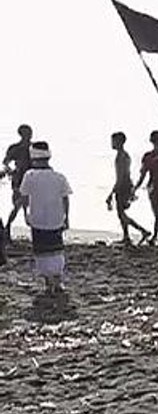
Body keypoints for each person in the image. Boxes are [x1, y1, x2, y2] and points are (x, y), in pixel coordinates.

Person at [18, 141, 70, 293]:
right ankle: (58, 280)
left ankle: (49, 282)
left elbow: (24, 197)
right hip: (56, 218)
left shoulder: (30, 176)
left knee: (42, 251)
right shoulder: (59, 177)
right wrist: (67, 217)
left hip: (38, 219)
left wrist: (25, 214)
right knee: (56, 250)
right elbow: (65, 198)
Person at [107, 132, 151, 246]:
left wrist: (112, 191)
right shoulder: (121, 155)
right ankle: (127, 236)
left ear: (119, 142)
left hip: (124, 186)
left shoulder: (122, 156)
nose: (112, 143)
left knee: (121, 213)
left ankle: (142, 231)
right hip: (125, 185)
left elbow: (122, 175)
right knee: (121, 213)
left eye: (114, 141)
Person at [3, 124, 34, 243]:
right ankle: (7, 228)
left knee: (29, 206)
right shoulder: (15, 148)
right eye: (27, 133)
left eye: (30, 133)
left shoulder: (33, 147)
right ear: (22, 134)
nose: (29, 135)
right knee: (18, 205)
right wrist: (11, 171)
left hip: (31, 179)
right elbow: (6, 162)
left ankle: (9, 228)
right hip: (19, 179)